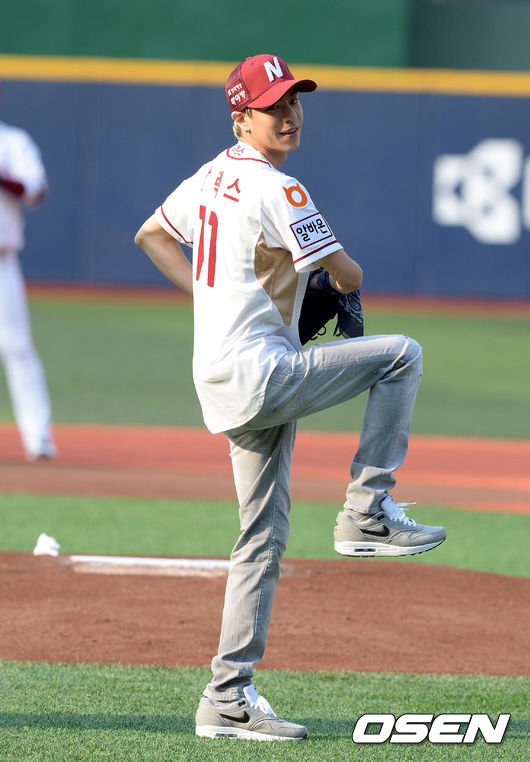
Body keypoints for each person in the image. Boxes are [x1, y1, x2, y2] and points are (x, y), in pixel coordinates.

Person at [135, 53, 446, 742]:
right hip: (262, 373)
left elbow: (151, 234)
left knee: (261, 536)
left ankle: (227, 697)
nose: (290, 114)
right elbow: (350, 275)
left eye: (294, 101)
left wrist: (208, 300)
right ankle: (367, 511)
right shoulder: (281, 188)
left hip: (220, 376)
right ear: (241, 116)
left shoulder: (209, 176)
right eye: (273, 106)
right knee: (402, 354)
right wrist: (334, 282)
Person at [0, 100, 57, 461]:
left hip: (1, 263)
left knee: (17, 348)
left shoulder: (11, 142)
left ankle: (38, 438)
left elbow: (35, 191)